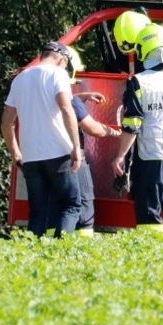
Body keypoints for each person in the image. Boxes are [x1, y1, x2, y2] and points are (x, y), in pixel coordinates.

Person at [111, 24, 163, 232]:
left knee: (149, 213)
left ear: (142, 50)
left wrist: (120, 156)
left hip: (152, 157)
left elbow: (133, 124)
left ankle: (150, 251)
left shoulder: (140, 82)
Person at [1, 41, 82, 236]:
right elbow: (66, 109)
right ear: (62, 59)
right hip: (58, 152)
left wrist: (15, 152)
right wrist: (76, 147)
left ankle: (33, 249)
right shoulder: (58, 74)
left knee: (37, 211)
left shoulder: (20, 78)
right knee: (71, 205)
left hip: (30, 156)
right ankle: (62, 248)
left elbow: (6, 123)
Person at [64, 45, 122, 236]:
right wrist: (116, 132)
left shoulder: (41, 96)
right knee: (84, 205)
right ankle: (83, 245)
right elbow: (93, 129)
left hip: (47, 158)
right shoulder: (71, 102)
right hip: (73, 158)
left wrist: (82, 97)